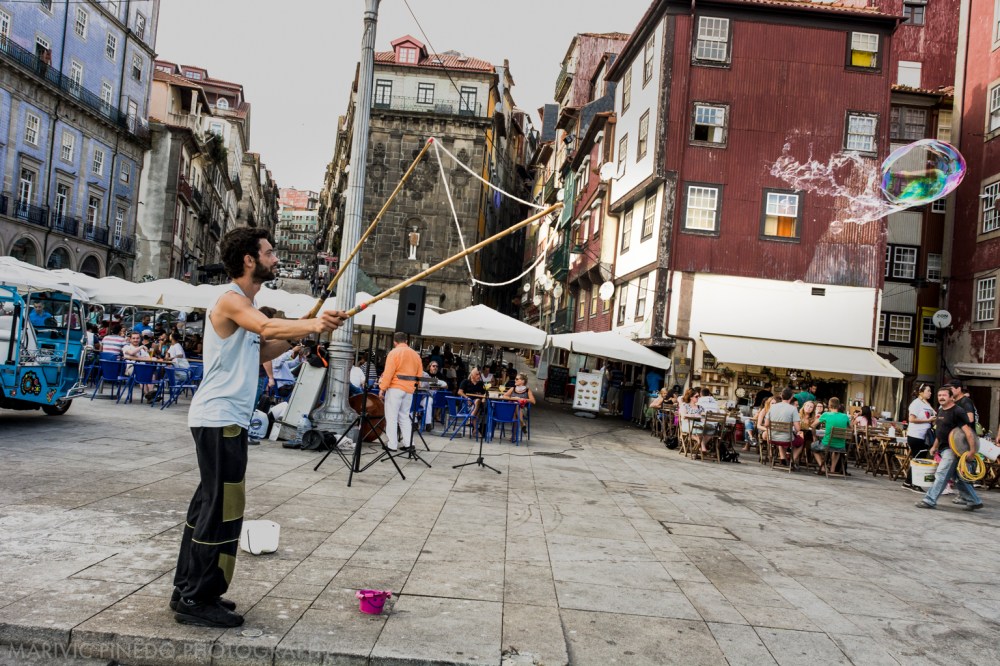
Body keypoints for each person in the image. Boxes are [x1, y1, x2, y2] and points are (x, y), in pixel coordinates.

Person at [173, 227, 345, 628]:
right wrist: (315, 324)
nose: (274, 258)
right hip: (219, 419)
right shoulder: (232, 300)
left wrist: (302, 338)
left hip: (222, 419)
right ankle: (198, 599)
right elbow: (267, 328)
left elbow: (263, 347)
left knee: (207, 505)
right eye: (268, 253)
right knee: (221, 508)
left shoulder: (244, 305)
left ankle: (188, 587)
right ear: (249, 260)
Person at [916, 388, 983, 511]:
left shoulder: (958, 411)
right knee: (956, 477)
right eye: (939, 395)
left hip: (952, 449)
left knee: (941, 474)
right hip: (943, 448)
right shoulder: (941, 410)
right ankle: (974, 500)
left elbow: (968, 433)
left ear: (952, 397)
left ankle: (929, 500)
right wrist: (935, 446)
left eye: (944, 395)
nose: (941, 397)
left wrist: (972, 451)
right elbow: (940, 431)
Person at [378, 331, 424, 453]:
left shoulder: (394, 353)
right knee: (404, 416)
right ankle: (409, 444)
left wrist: (382, 388)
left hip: (395, 388)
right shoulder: (415, 355)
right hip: (409, 389)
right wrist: (415, 386)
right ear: (407, 342)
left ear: (395, 342)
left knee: (391, 416)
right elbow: (419, 374)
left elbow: (389, 373)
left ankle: (392, 444)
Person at [812, 397, 851, 474]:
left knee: (813, 447)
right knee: (836, 451)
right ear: (839, 406)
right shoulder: (845, 416)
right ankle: (832, 470)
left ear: (829, 406)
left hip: (827, 444)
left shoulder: (826, 414)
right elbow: (851, 429)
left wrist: (815, 436)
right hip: (841, 446)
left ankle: (822, 468)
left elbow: (813, 425)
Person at [766, 388, 802, 468]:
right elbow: (798, 429)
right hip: (787, 439)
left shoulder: (773, 407)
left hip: (773, 437)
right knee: (801, 442)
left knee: (781, 437)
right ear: (792, 397)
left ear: (781, 396)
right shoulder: (793, 409)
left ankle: (783, 459)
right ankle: (792, 462)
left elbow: (766, 424)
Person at [907, 384, 936, 457]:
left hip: (925, 436)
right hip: (916, 436)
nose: (930, 393)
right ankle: (912, 469)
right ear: (921, 392)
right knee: (918, 459)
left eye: (930, 391)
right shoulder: (916, 403)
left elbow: (932, 415)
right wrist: (927, 420)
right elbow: (911, 419)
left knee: (921, 459)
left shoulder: (927, 404)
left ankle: (912, 468)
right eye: (928, 391)